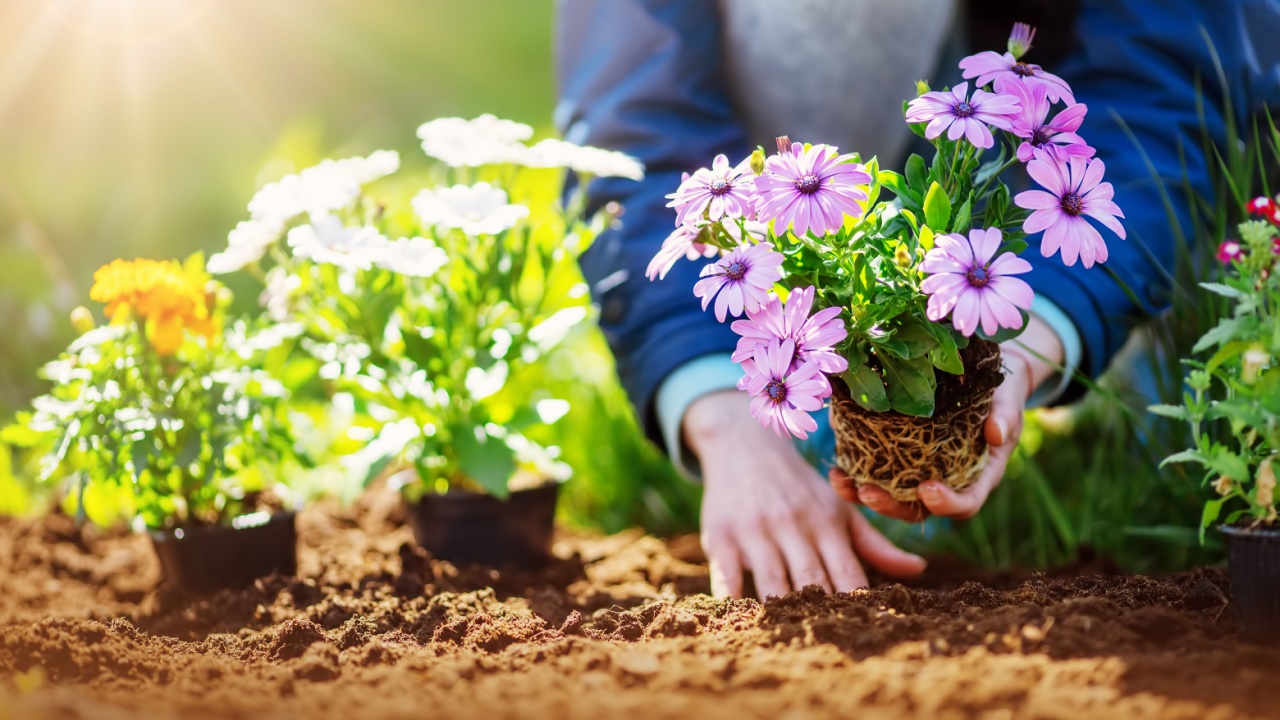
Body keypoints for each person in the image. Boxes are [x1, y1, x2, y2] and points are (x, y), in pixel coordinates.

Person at [554, 0, 1280, 599]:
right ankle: (807, 387)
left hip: (1077, 166)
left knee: (1187, 444)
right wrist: (717, 409)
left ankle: (1137, 355)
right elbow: (631, 126)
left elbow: (1167, 83)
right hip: (866, 153)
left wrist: (1027, 343)